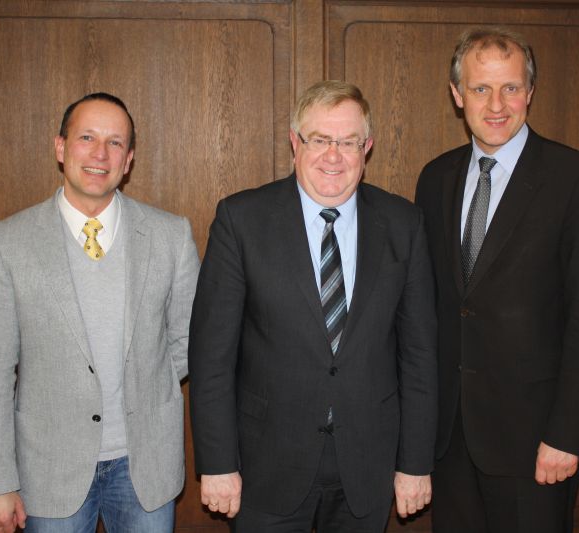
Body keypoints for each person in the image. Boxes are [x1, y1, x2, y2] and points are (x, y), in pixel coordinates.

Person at [188, 80, 438, 532]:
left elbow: (419, 356)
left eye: (348, 142)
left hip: (368, 466)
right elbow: (211, 359)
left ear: (368, 147)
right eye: (320, 139)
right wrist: (218, 463)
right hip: (266, 467)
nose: (333, 155)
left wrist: (415, 463)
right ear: (294, 142)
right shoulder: (241, 220)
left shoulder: (404, 224)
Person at [0, 92, 200, 532]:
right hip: (47, 470)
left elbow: (191, 338)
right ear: (60, 147)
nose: (99, 153)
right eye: (87, 137)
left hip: (144, 468)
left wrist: (146, 378)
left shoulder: (170, 236)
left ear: (128, 159)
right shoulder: (6, 242)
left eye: (115, 143)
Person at [415, 27, 579, 532]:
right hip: (450, 439)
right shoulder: (434, 178)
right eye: (481, 89)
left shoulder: (576, 178)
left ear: (530, 92)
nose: (497, 104)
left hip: (536, 442)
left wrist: (568, 434)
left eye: (510, 87)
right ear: (457, 95)